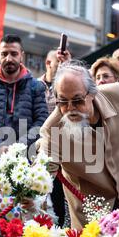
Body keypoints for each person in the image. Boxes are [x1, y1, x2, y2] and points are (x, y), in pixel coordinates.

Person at [38, 61, 119, 230]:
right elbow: (43, 170)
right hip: (90, 215)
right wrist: (34, 193)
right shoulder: (52, 129)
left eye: (77, 100)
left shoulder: (117, 93)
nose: (70, 108)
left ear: (92, 93)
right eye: (63, 102)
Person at [0, 34, 48, 160]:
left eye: (14, 54)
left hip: (25, 159)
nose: (8, 58)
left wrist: (19, 146)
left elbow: (41, 120)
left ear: (21, 56)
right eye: (4, 54)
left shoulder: (36, 86)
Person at [38, 49, 68, 226]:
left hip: (65, 149)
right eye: (59, 64)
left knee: (61, 199)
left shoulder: (67, 86)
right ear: (49, 64)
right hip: (43, 147)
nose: (62, 67)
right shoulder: (35, 86)